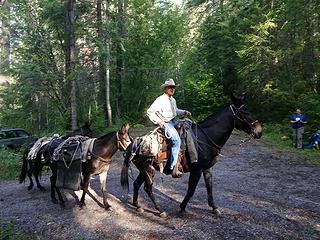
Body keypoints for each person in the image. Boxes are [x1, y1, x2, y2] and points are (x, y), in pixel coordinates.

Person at [147, 78, 191, 178]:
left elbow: (175, 111)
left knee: (188, 127)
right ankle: (173, 166)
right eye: (170, 87)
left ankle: (188, 157)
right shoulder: (160, 100)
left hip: (173, 121)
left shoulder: (173, 100)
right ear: (166, 88)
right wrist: (159, 122)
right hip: (165, 123)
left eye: (173, 87)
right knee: (176, 140)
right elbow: (150, 112)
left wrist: (184, 112)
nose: (172, 89)